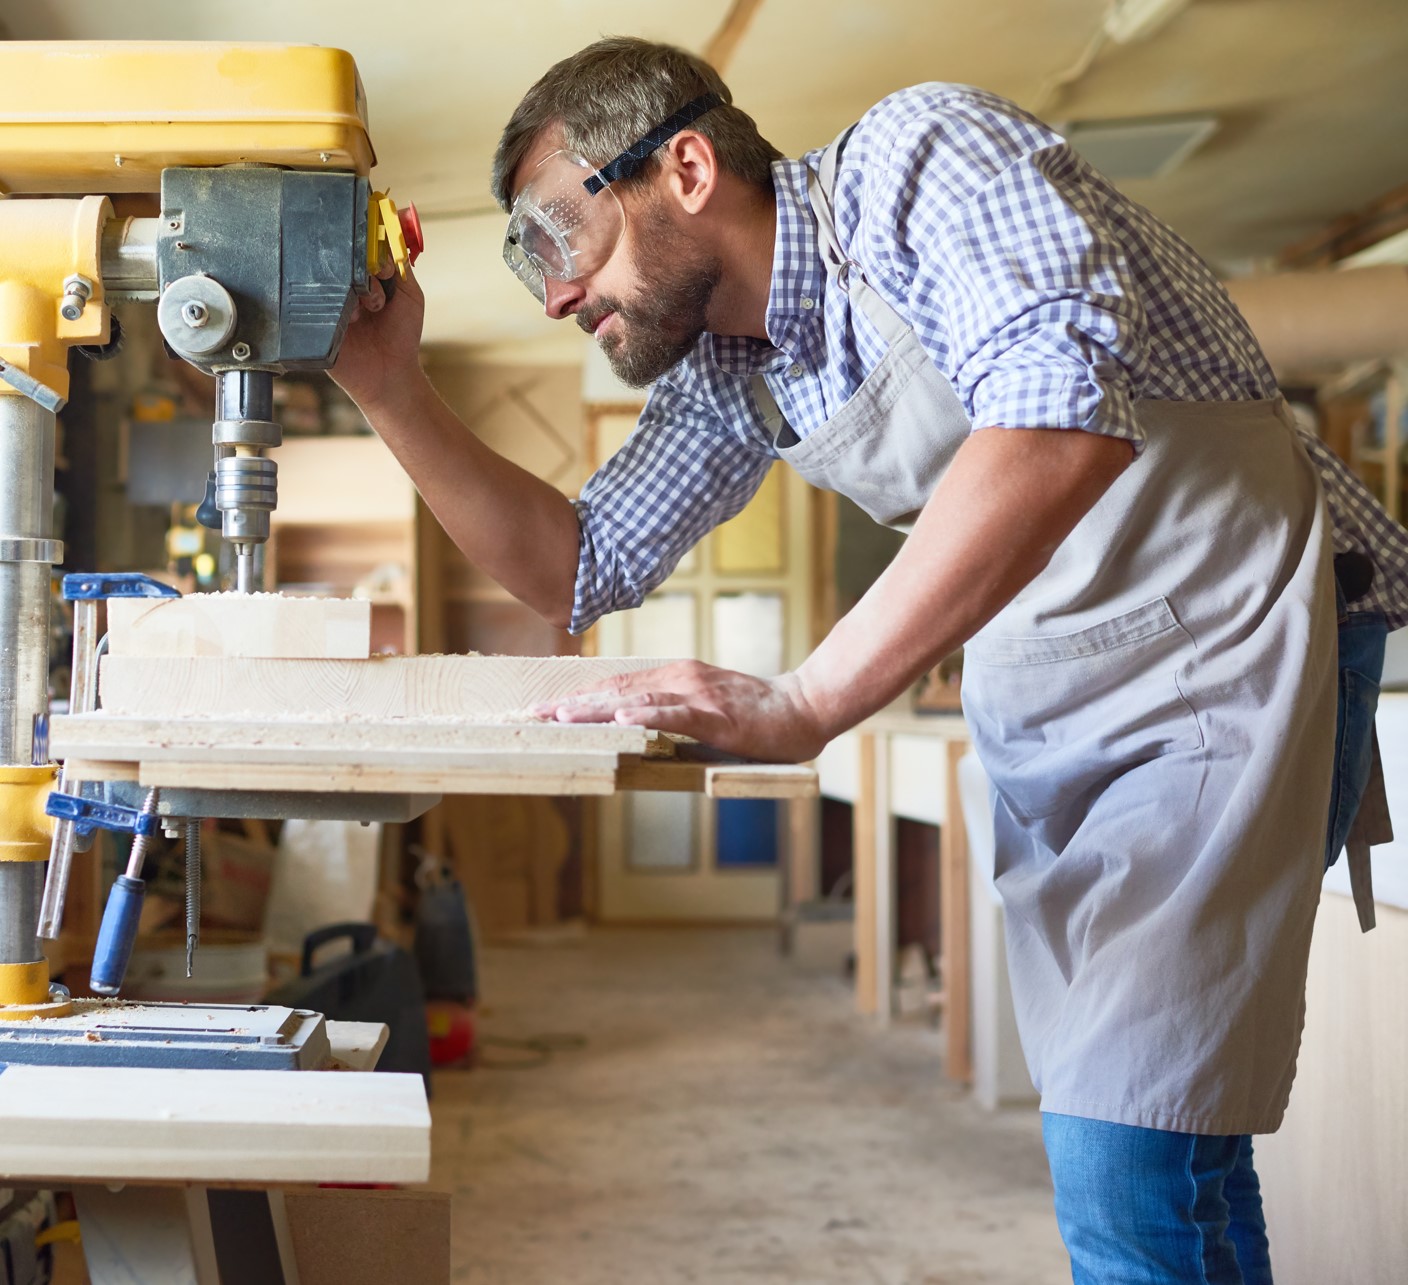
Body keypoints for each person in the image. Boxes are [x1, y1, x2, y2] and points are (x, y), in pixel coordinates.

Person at [332, 37, 1408, 1284]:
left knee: (1131, 1155)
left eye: (556, 235)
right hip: (1069, 694)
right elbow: (574, 567)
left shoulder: (918, 164)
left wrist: (809, 698)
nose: (556, 294)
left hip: (1225, 647)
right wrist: (387, 386)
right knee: (1171, 1148)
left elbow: (1058, 422)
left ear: (683, 167)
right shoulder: (738, 372)